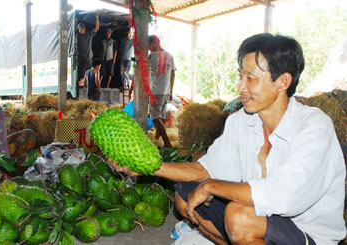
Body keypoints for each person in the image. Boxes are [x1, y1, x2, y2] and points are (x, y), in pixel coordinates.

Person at [109, 33, 346, 244]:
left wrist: (212, 187)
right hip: (261, 218)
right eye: (240, 76)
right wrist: (147, 166)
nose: (241, 87)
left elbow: (284, 197)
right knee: (184, 196)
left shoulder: (313, 126)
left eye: (251, 78)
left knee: (239, 217)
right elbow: (205, 170)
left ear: (283, 81)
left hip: (307, 233)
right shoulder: (242, 120)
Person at [148, 35, 175, 148]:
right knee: (161, 116)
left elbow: (146, 74)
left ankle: (167, 142)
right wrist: (171, 91)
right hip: (166, 91)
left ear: (154, 43)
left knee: (155, 117)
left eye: (149, 45)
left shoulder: (152, 56)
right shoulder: (169, 56)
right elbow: (173, 73)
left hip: (155, 91)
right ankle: (156, 139)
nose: (148, 48)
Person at [76, 13, 99, 96]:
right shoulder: (78, 36)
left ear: (84, 29)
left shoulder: (89, 34)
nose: (80, 30)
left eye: (81, 29)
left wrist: (97, 17)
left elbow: (96, 28)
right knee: (88, 64)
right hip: (82, 55)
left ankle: (87, 82)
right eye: (79, 29)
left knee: (90, 68)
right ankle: (82, 79)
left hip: (89, 54)